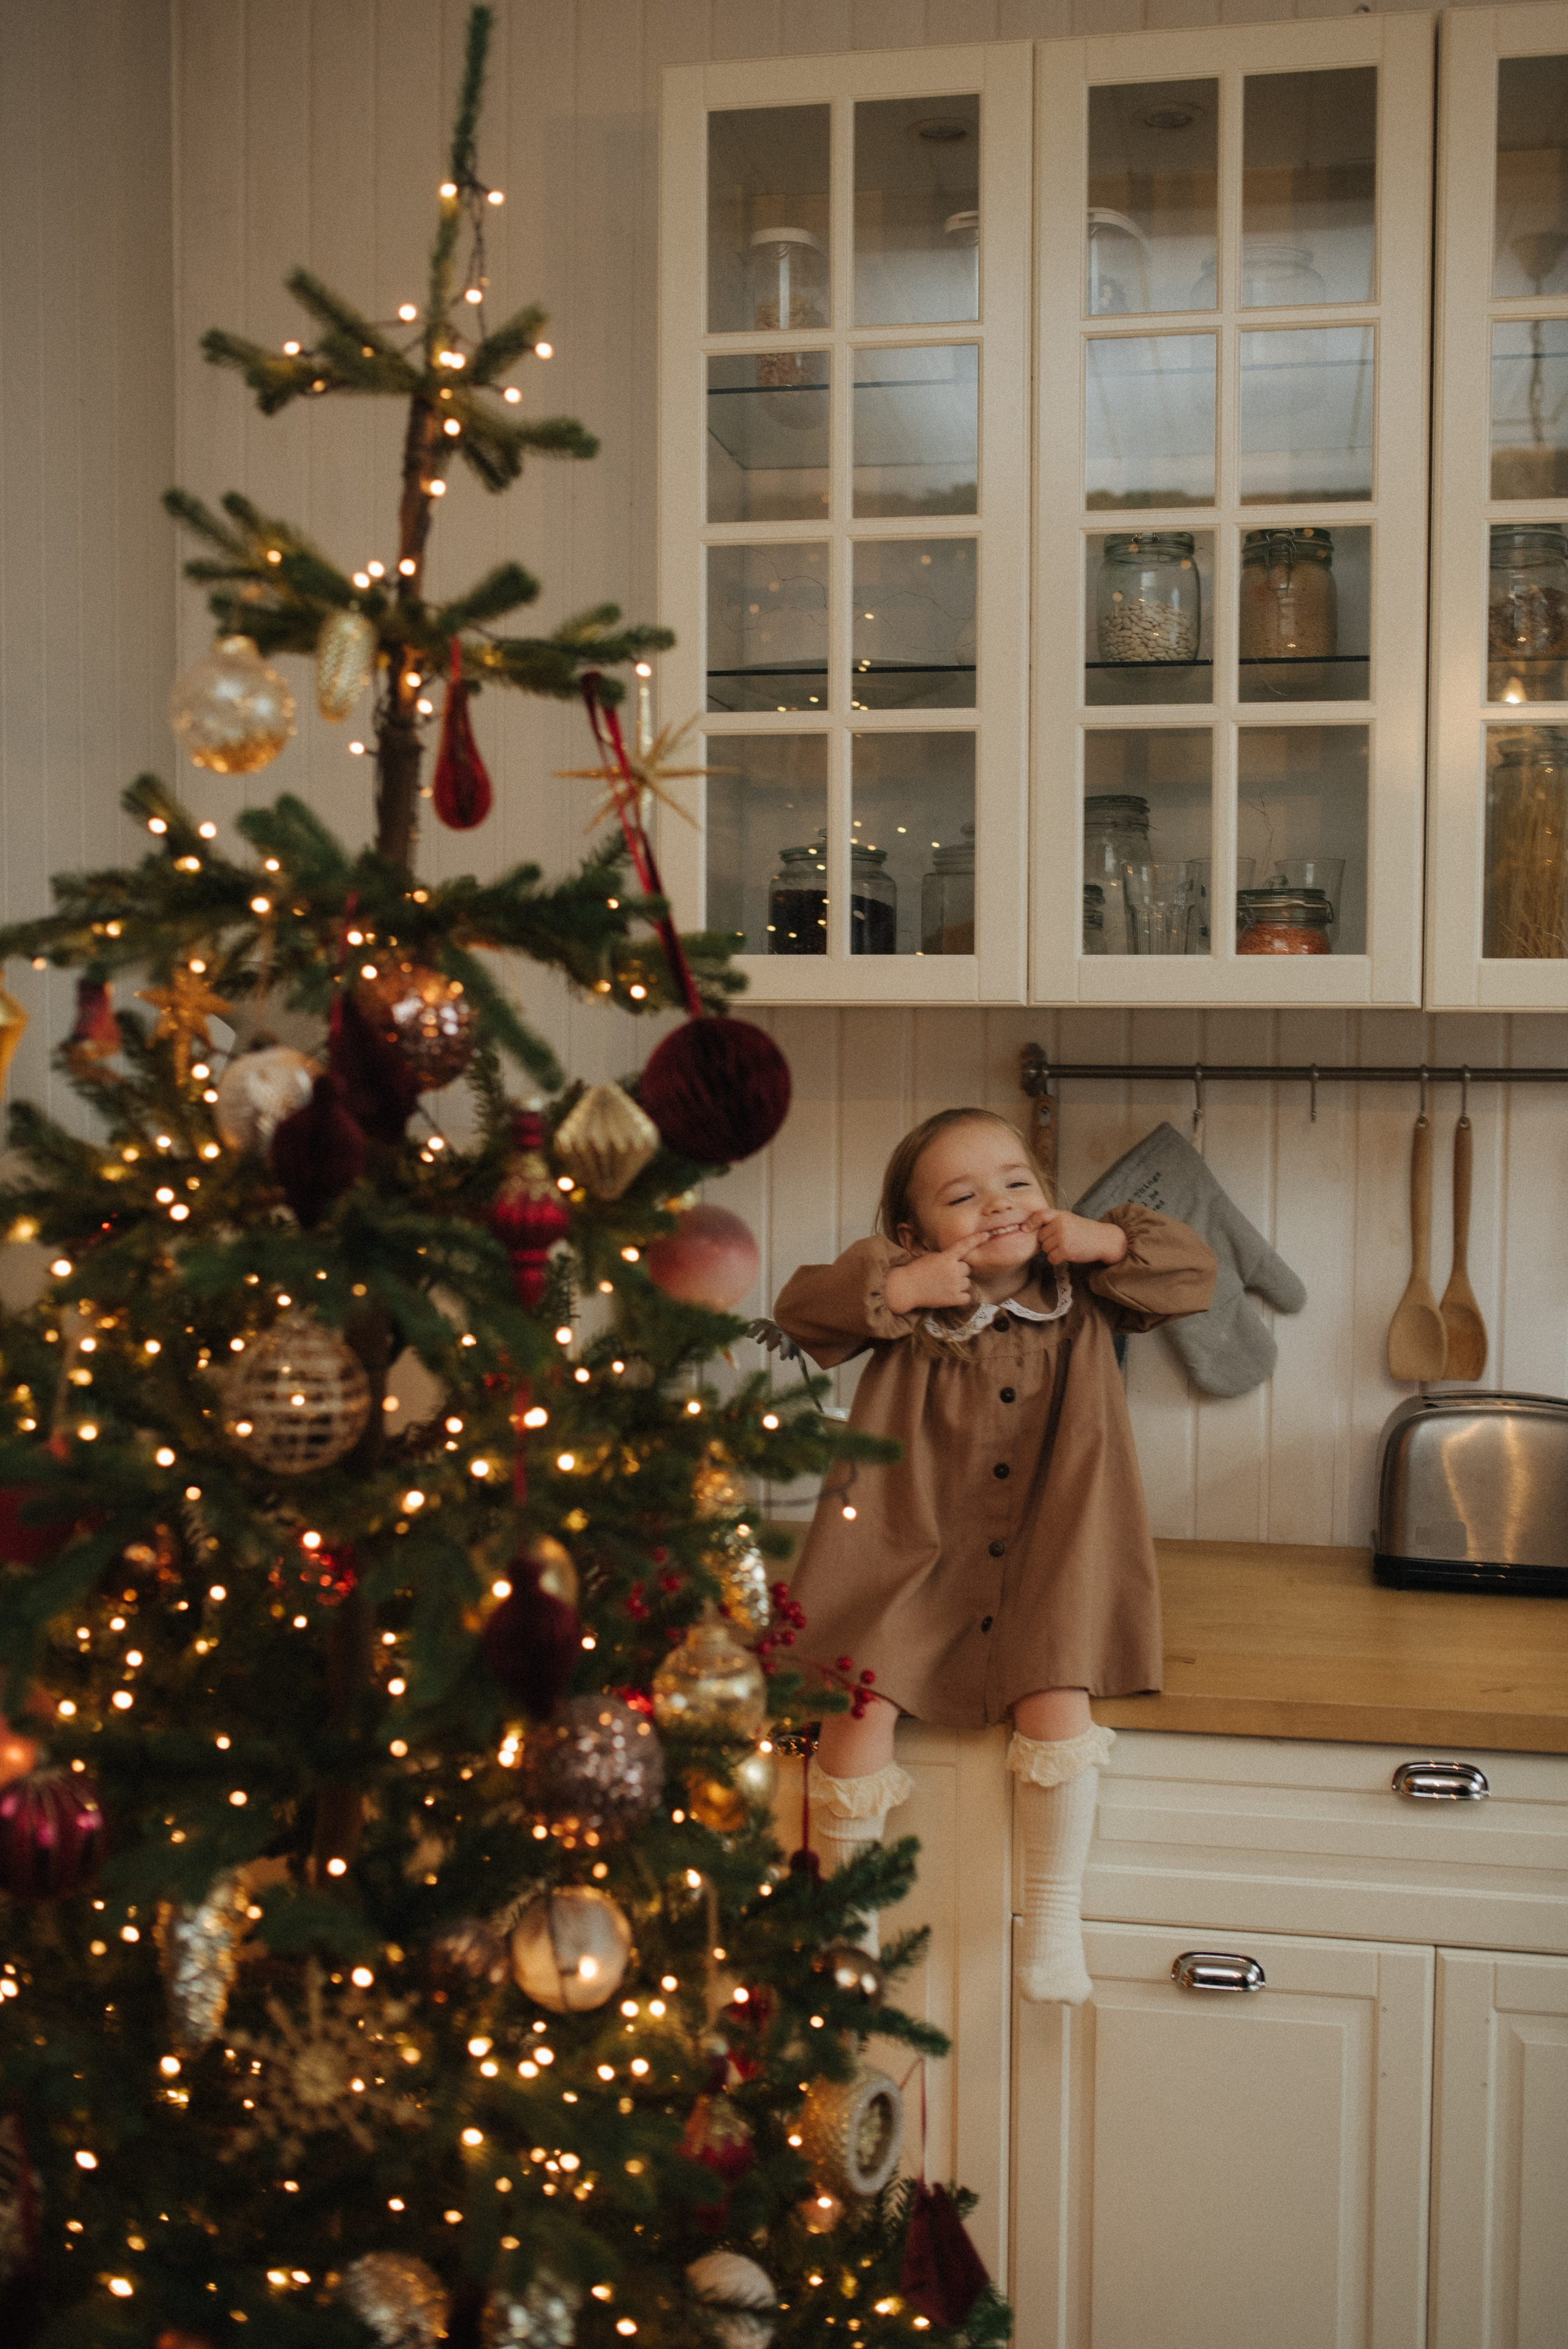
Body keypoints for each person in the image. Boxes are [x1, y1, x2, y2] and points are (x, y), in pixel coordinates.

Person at [772, 1107, 1215, 2002]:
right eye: (962, 1197)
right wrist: (900, 1289)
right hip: (905, 1551)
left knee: (1058, 1697)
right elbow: (801, 1311)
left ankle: (1052, 1919)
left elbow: (1193, 1276)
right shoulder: (904, 1297)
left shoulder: (1080, 1288)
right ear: (912, 1235)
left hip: (1057, 1551)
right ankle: (845, 1924)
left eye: (1018, 1183)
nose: (999, 1206)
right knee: (856, 1706)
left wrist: (1102, 1239)